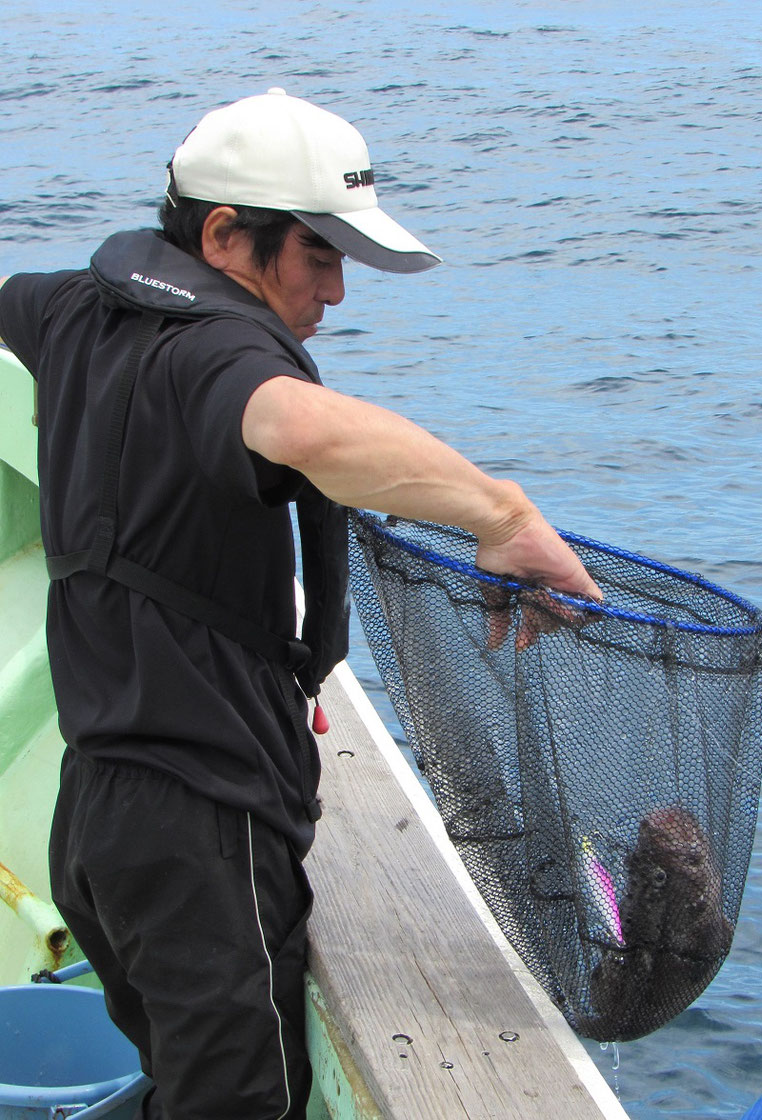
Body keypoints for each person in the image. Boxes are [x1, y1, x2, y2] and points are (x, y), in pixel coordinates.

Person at [0, 88, 601, 1119]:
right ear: (227, 235)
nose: (334, 289)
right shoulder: (218, 356)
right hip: (200, 831)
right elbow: (309, 430)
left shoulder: (68, 308)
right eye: (317, 255)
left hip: (95, 818)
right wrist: (499, 512)